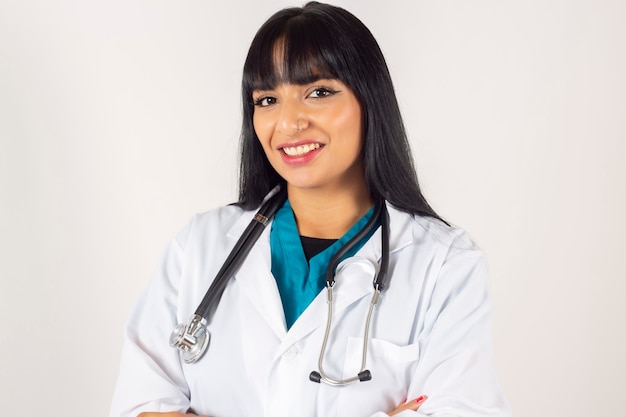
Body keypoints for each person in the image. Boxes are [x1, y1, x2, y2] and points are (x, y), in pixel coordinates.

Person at [110, 2, 510, 416]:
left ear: (369, 100)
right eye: (266, 99)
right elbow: (140, 406)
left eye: (318, 92)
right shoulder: (197, 248)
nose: (288, 122)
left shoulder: (444, 264)